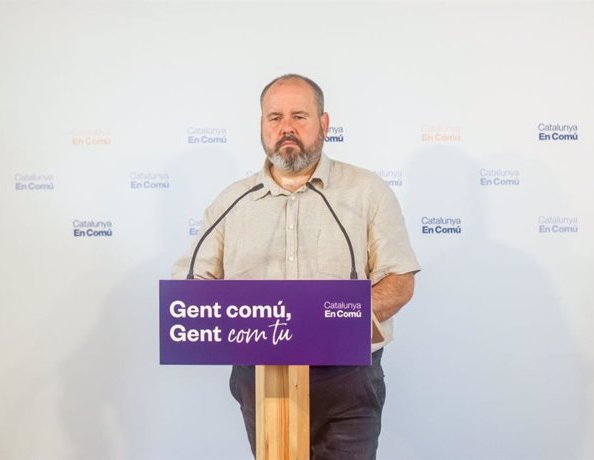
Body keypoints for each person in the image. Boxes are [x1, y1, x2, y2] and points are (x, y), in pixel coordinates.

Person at [172, 74, 420, 459]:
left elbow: (399, 279)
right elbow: (193, 283)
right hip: (260, 378)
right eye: (274, 118)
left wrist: (335, 322)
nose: (286, 127)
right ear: (261, 126)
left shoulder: (366, 190)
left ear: (323, 124)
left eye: (299, 116)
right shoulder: (232, 201)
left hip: (347, 379)